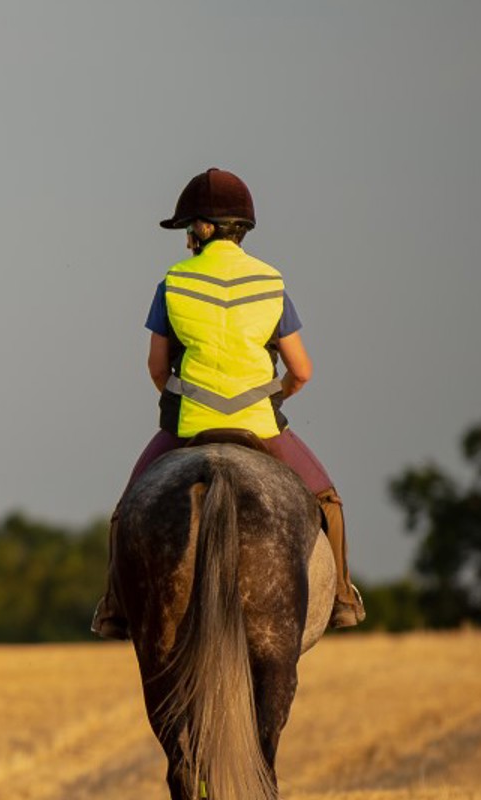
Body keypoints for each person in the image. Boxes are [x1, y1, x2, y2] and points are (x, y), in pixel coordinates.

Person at [91, 167, 365, 640]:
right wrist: (274, 398)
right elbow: (301, 369)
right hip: (261, 425)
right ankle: (340, 596)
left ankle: (114, 605)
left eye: (187, 230)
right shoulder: (271, 282)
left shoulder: (172, 283)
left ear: (202, 229)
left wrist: (180, 400)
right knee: (328, 501)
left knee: (126, 508)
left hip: (189, 424)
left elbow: (157, 367)